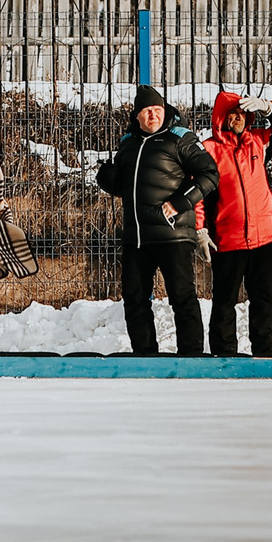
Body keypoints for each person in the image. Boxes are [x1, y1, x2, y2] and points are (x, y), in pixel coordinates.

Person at [92, 83, 218, 356]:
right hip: (136, 237)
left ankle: (191, 356)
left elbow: (210, 175)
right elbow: (126, 187)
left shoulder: (180, 138)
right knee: (135, 300)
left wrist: (181, 202)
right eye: (147, 111)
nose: (153, 116)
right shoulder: (128, 143)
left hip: (173, 235)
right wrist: (108, 179)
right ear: (137, 115)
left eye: (157, 110)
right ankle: (144, 354)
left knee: (182, 298)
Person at [201, 90, 272, 357]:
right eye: (232, 114)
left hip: (262, 236)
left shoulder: (258, 142)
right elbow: (198, 193)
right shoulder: (210, 150)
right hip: (228, 238)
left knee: (264, 300)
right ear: (221, 117)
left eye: (243, 114)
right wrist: (201, 228)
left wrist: (268, 107)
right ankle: (224, 353)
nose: (238, 118)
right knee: (224, 301)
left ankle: (266, 352)